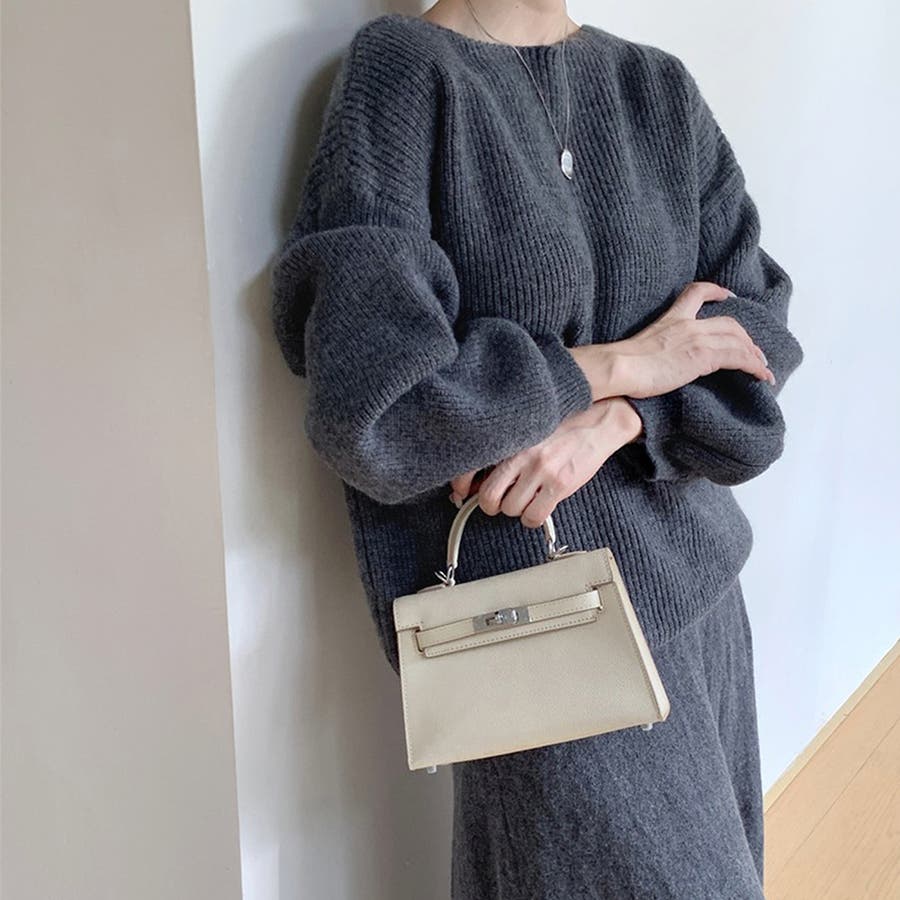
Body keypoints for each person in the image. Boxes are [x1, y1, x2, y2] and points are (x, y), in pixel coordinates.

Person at [270, 1, 804, 896]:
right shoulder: (404, 75)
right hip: (543, 633)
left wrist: (626, 418)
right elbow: (377, 403)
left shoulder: (655, 86)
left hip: (701, 595)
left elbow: (756, 332)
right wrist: (617, 365)